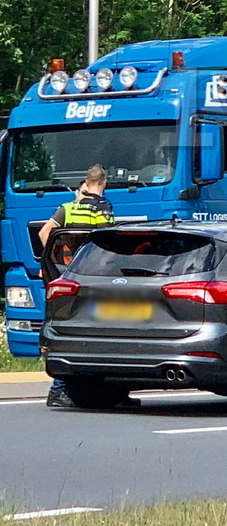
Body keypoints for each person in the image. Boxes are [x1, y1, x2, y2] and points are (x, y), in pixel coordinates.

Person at [39, 165, 117, 409]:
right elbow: (107, 244)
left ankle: (69, 390)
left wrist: (53, 259)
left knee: (67, 331)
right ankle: (60, 389)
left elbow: (45, 233)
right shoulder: (104, 210)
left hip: (68, 275)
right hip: (94, 277)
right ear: (103, 182)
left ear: (85, 182)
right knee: (104, 333)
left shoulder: (68, 208)